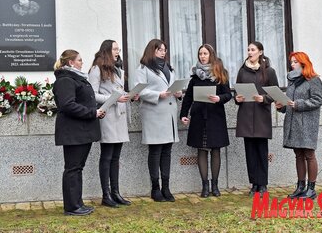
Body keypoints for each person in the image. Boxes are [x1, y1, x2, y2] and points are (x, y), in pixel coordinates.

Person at [53, 49, 105, 216]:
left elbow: (83, 102)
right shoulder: (66, 80)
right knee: (72, 169)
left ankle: (77, 203)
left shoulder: (77, 78)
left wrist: (96, 110)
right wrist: (92, 113)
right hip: (73, 132)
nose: (83, 63)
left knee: (77, 168)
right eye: (80, 60)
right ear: (71, 63)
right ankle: (72, 207)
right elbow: (68, 105)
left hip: (81, 131)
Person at [180, 44, 232, 198]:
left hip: (215, 116)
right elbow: (188, 97)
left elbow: (228, 94)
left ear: (211, 55)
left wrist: (219, 98)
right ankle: (205, 186)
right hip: (198, 116)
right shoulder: (195, 76)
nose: (202, 56)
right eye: (200, 54)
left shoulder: (220, 74)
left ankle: (215, 185)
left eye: (205, 53)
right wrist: (184, 114)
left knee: (216, 150)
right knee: (201, 149)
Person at [88, 40, 135, 208]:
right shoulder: (96, 69)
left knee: (116, 158)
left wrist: (129, 95)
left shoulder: (119, 69)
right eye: (115, 49)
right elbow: (92, 94)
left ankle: (116, 193)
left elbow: (119, 91)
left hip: (120, 116)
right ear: (107, 50)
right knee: (107, 156)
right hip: (107, 116)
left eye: (118, 49)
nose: (118, 51)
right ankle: (106, 195)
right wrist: (113, 98)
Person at [134, 39, 182, 202]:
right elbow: (138, 89)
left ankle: (166, 188)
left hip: (168, 113)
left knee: (167, 151)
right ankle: (155, 188)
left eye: (164, 50)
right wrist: (157, 94)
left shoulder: (169, 67)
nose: (163, 52)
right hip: (153, 113)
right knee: (155, 151)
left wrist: (178, 93)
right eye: (160, 49)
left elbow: (172, 86)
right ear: (152, 50)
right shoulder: (143, 68)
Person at [275, 52, 322, 199]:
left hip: (307, 124)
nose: (292, 64)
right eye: (291, 62)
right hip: (293, 123)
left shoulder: (313, 80)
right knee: (298, 155)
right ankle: (300, 186)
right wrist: (280, 106)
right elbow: (289, 102)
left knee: (309, 154)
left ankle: (311, 189)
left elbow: (317, 100)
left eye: (295, 61)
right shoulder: (292, 81)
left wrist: (298, 104)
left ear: (303, 63)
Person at [235, 41, 279, 197]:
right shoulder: (242, 71)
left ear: (260, 52)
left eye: (252, 49)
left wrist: (264, 99)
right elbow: (237, 92)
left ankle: (263, 184)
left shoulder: (269, 72)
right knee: (250, 153)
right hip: (246, 116)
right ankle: (254, 184)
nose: (250, 52)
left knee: (261, 151)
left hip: (261, 117)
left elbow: (275, 93)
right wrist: (237, 99)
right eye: (248, 49)